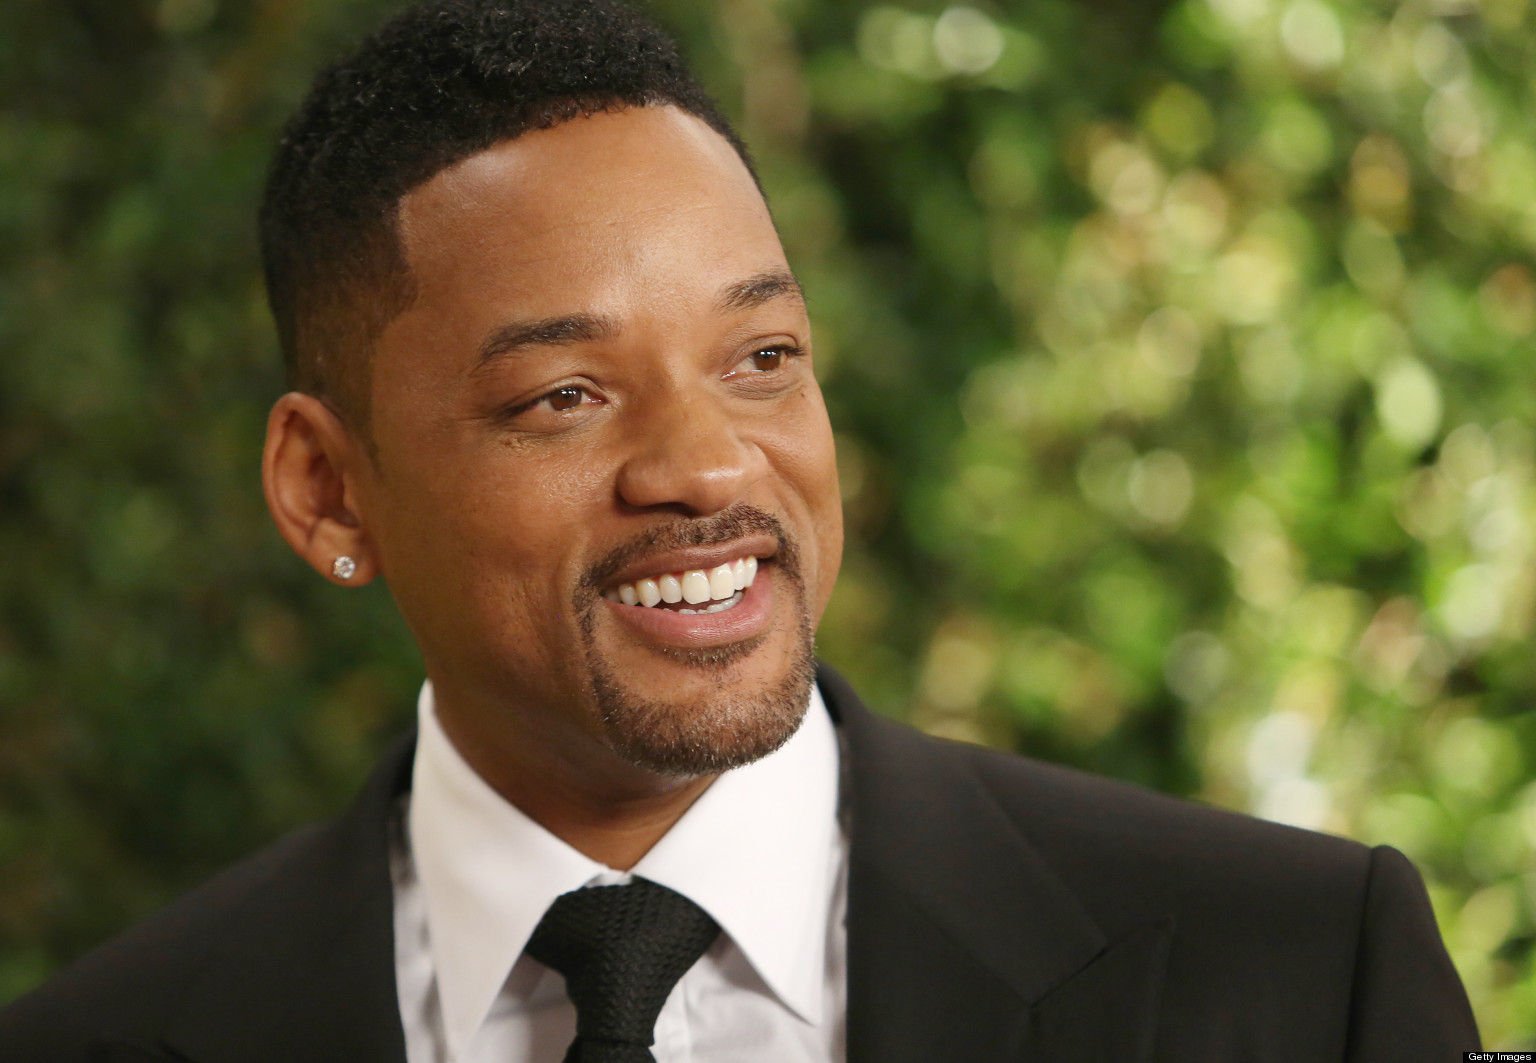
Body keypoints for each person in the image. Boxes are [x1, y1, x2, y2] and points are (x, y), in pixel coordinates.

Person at [0, 0, 1479, 1059]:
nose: (708, 467)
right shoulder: (101, 1040)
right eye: (565, 395)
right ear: (327, 489)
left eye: (762, 357)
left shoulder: (1297, 972)